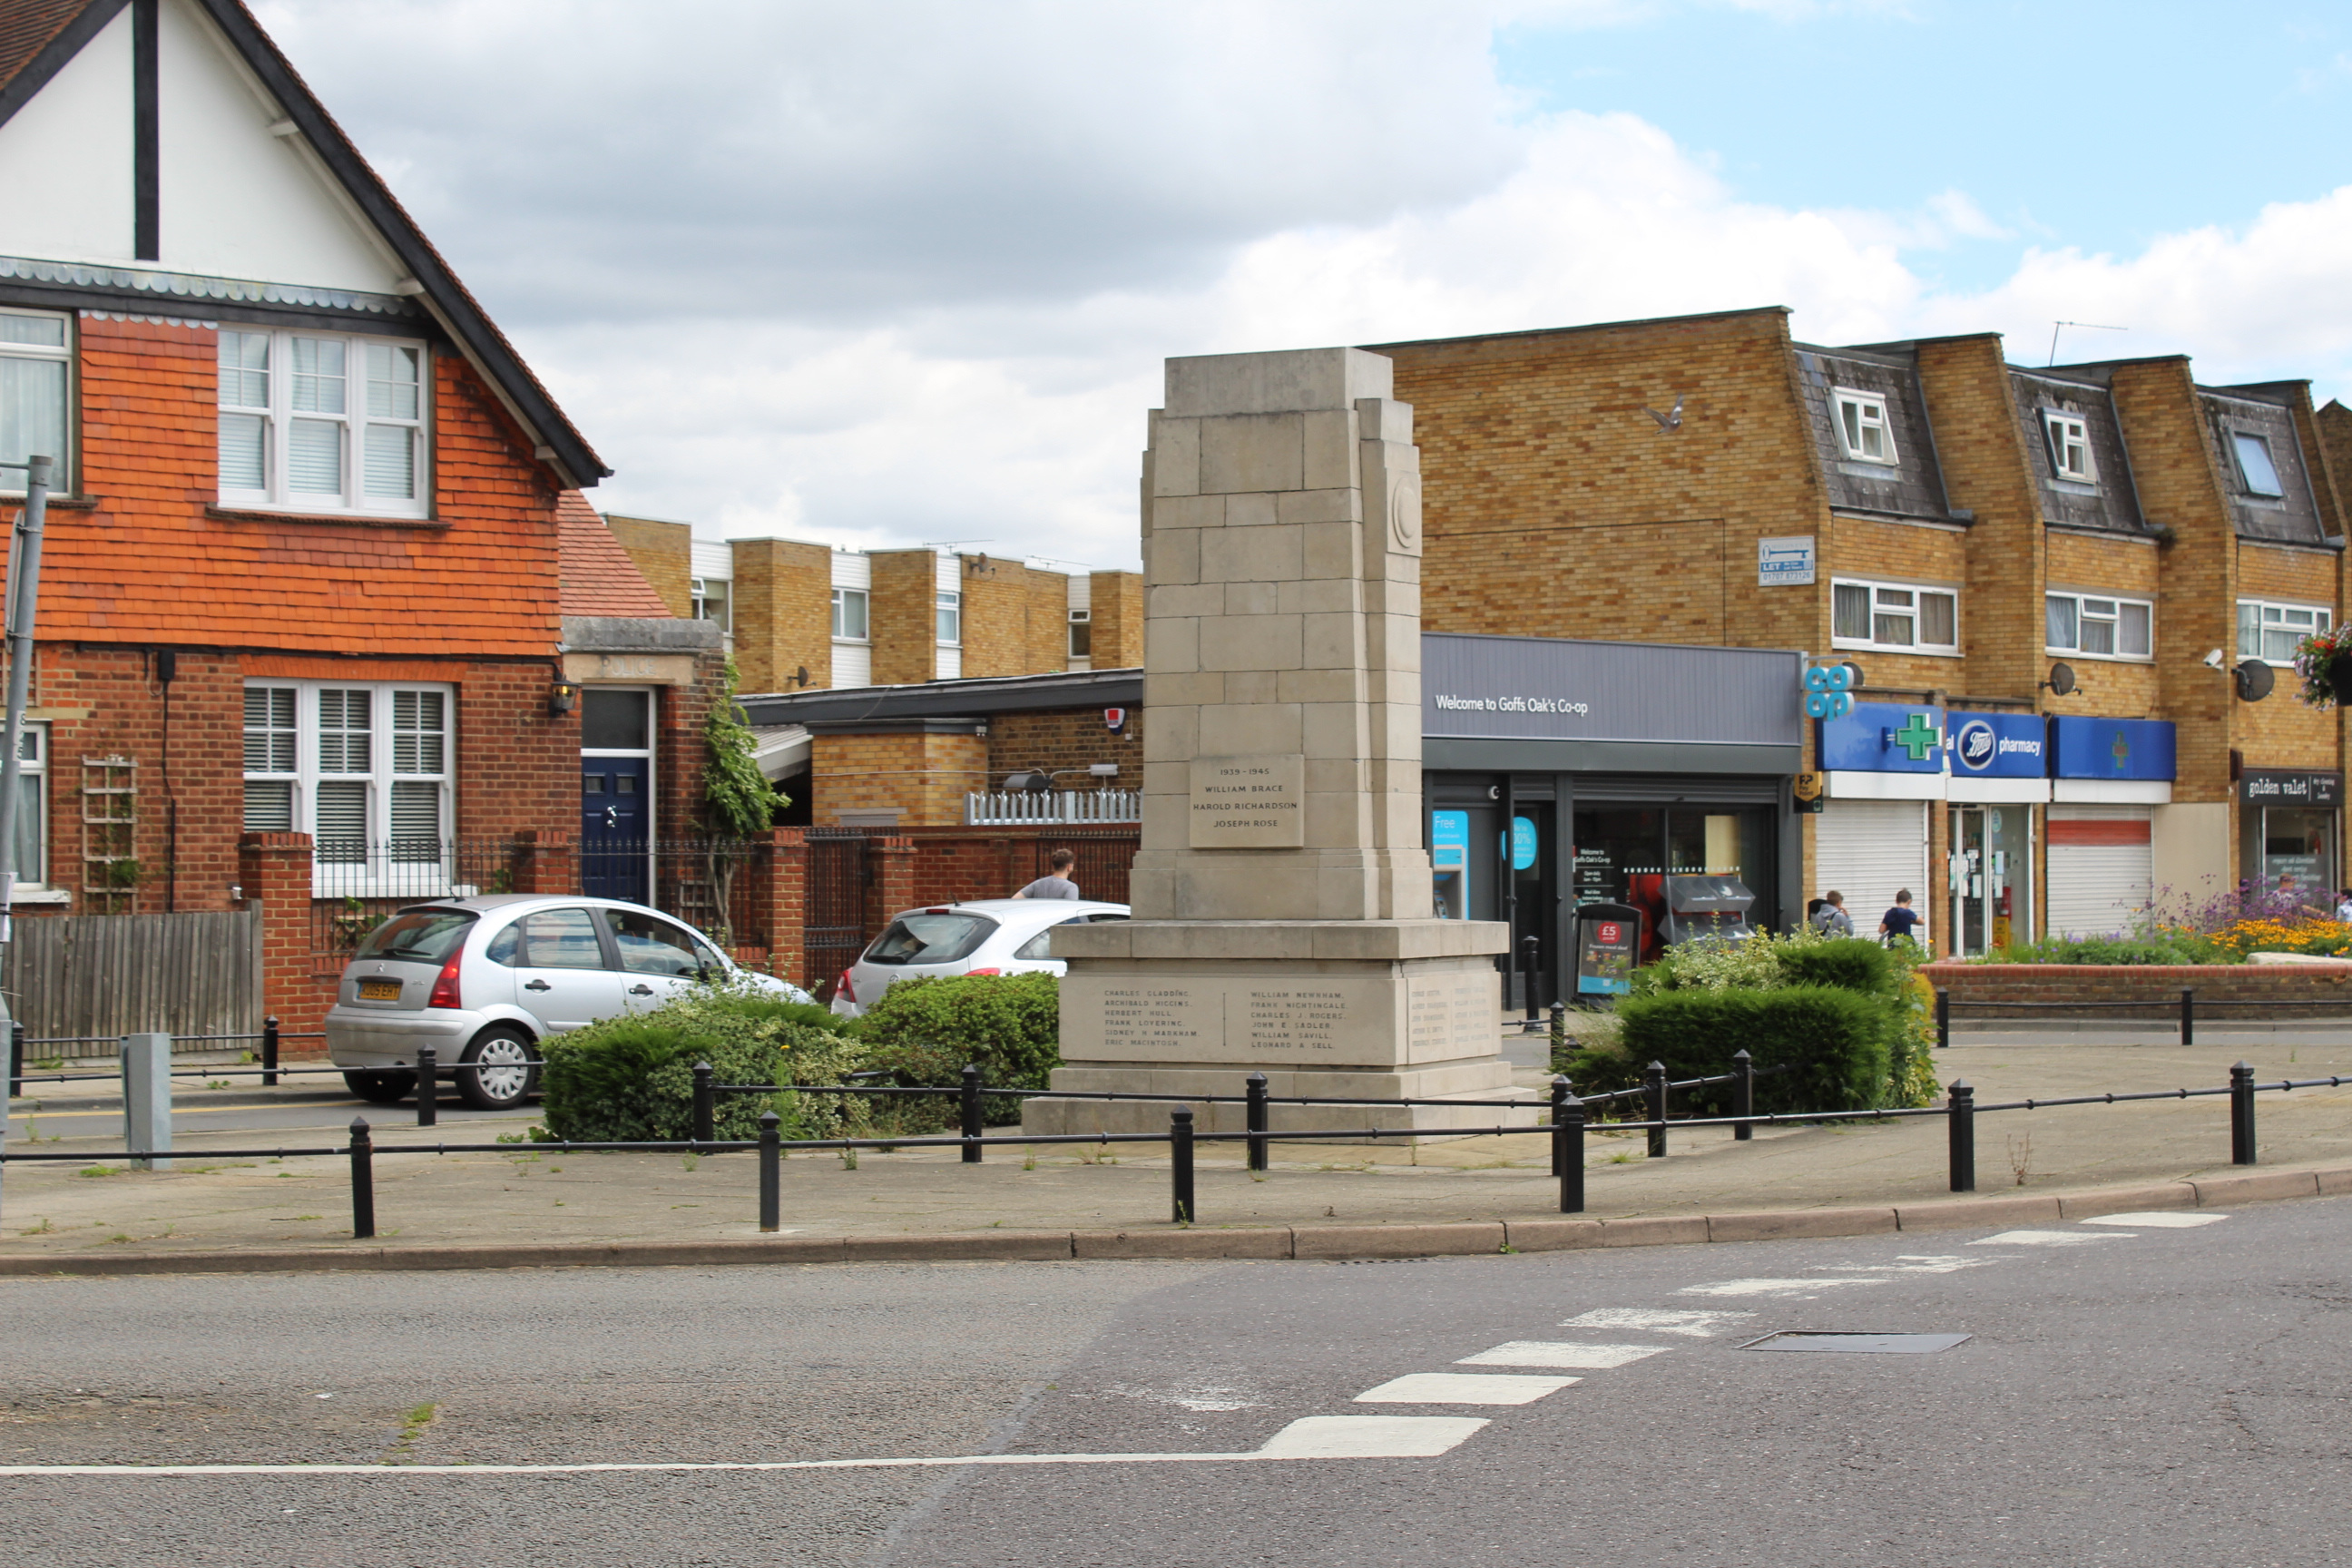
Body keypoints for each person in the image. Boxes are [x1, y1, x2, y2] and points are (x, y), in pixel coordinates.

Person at [1014, 848, 1081, 900]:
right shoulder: (1071, 887)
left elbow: (1015, 899)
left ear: (1054, 866)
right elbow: (1071, 911)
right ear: (1069, 867)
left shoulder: (1038, 884)